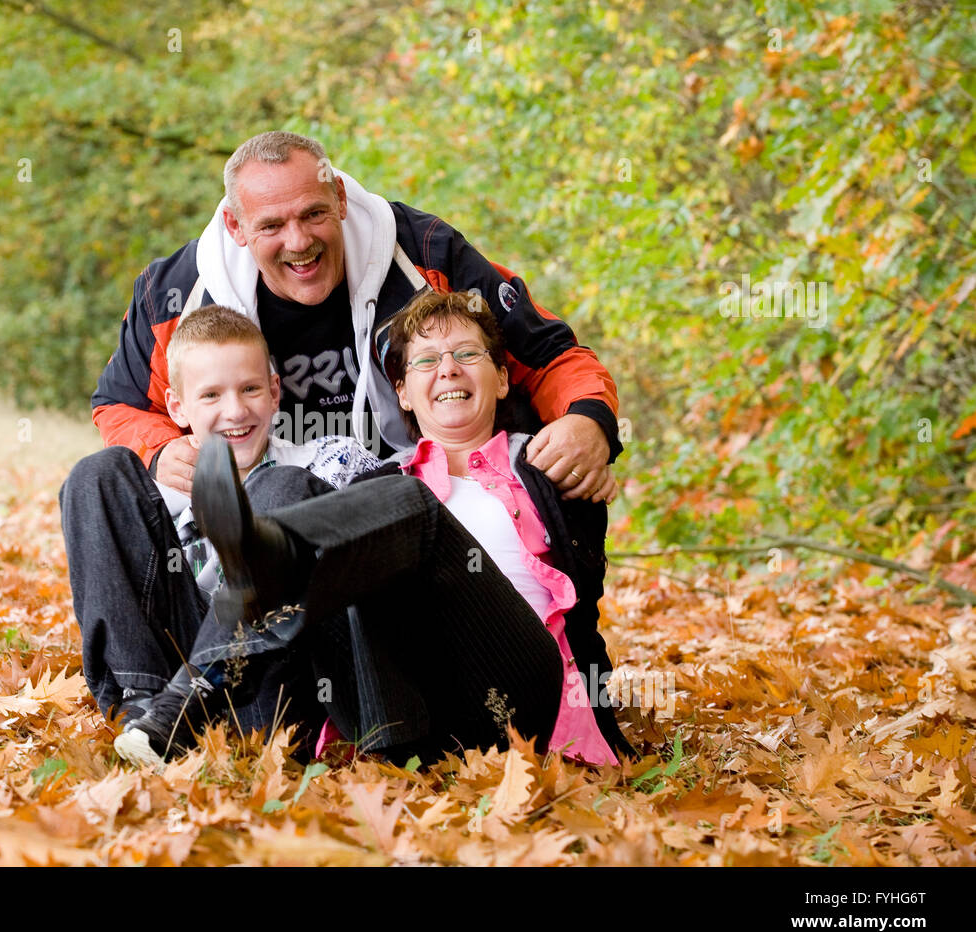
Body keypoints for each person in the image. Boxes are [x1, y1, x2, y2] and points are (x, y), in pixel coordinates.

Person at [113, 291, 635, 768]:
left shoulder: (542, 464)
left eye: (467, 355)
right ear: (403, 392)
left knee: (407, 506)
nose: (448, 370)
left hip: (516, 692)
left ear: (501, 378)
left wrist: (592, 460)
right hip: (407, 711)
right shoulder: (377, 478)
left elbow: (585, 531)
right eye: (427, 361)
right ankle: (187, 695)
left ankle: (259, 563)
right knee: (287, 492)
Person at [90, 130, 623, 499]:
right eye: (271, 226)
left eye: (315, 214)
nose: (299, 242)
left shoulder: (426, 253)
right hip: (252, 499)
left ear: (340, 198)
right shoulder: (175, 293)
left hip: (415, 494)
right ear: (235, 227)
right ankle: (167, 664)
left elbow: (549, 353)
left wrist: (589, 421)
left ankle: (564, 654)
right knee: (102, 482)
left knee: (561, 458)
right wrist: (159, 452)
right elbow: (119, 403)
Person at [59, 304, 378, 729]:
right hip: (169, 680)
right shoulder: (148, 497)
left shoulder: (330, 460)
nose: (235, 411)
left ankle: (203, 681)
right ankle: (142, 706)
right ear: (177, 407)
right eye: (211, 395)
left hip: (279, 684)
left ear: (275, 391)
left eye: (250, 389)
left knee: (280, 486)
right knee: (96, 473)